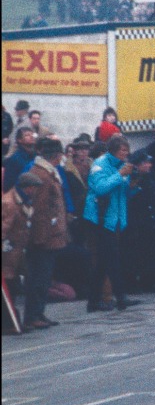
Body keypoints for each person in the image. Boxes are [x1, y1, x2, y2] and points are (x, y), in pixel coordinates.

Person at [83, 134, 146, 311]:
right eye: (123, 151)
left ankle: (93, 301)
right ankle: (121, 297)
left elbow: (122, 193)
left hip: (114, 217)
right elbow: (101, 188)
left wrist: (133, 183)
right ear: (113, 150)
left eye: (127, 151)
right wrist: (120, 175)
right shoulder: (99, 165)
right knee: (112, 259)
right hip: (100, 218)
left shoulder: (121, 165)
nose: (125, 154)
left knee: (103, 262)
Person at [15, 137, 69, 331]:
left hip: (49, 236)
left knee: (43, 277)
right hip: (43, 238)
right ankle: (33, 315)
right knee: (38, 277)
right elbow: (39, 211)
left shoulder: (47, 172)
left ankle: (38, 312)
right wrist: (40, 238)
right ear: (57, 155)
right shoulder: (43, 176)